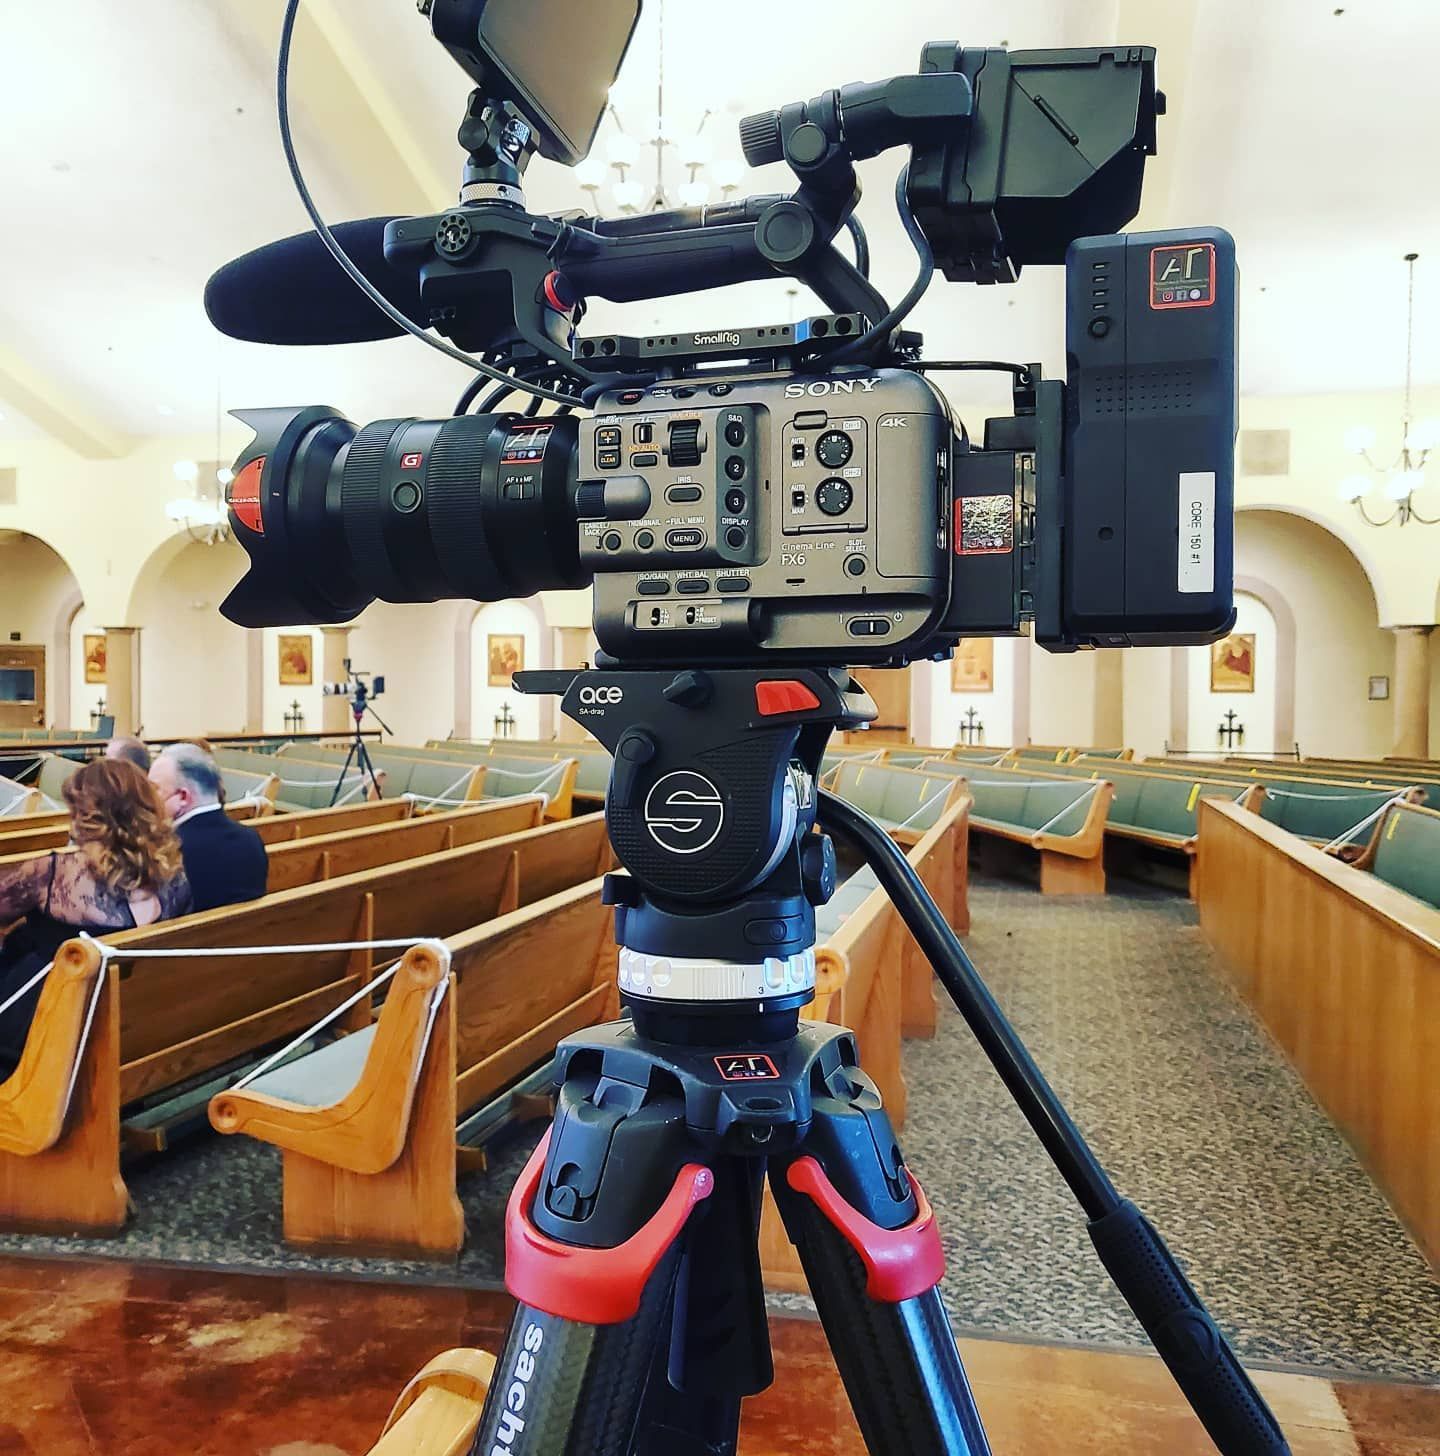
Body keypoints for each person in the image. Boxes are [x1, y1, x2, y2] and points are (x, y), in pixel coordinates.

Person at [0, 759, 191, 1072]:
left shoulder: (53, 873)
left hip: (45, 1026)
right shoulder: (173, 877)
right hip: (132, 1019)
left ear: (84, 816)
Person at [149, 743, 268, 912]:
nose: (148, 799)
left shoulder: (169, 851)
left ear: (183, 797)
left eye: (154, 790)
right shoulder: (251, 838)